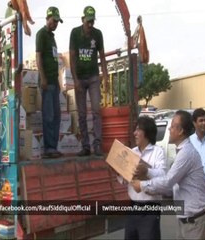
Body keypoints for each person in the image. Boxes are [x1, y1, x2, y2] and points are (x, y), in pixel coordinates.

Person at [131, 110, 205, 239]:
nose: (169, 129)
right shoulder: (182, 151)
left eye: (172, 126)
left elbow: (168, 181)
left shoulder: (186, 153)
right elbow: (172, 186)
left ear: (180, 131)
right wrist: (155, 190)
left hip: (195, 222)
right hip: (186, 220)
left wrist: (142, 185)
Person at [117, 116, 166, 240]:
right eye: (135, 130)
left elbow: (163, 176)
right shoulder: (131, 152)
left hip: (150, 210)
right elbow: (123, 181)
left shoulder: (158, 152)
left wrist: (147, 171)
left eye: (138, 130)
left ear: (147, 132)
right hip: (133, 207)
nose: (135, 133)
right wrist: (119, 172)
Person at [69, 6, 108, 156]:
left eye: (92, 22)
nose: (90, 25)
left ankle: (97, 144)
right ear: (82, 19)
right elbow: (72, 58)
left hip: (93, 77)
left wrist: (104, 75)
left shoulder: (98, 34)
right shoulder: (75, 33)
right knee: (82, 113)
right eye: (88, 22)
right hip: (80, 78)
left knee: (96, 111)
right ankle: (85, 146)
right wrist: (75, 80)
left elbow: (102, 56)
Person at [35, 6, 63, 158]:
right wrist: (43, 78)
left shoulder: (52, 37)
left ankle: (53, 147)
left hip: (54, 81)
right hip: (47, 82)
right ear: (48, 19)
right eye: (54, 21)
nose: (55, 24)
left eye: (57, 22)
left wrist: (58, 81)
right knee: (49, 115)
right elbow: (39, 57)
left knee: (56, 115)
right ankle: (49, 148)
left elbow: (53, 60)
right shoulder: (42, 34)